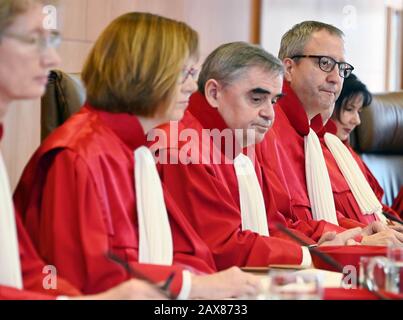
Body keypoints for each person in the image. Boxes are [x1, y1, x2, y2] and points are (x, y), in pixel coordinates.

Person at [13, 11, 260, 299]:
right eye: (186, 73)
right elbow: (84, 280)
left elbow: (191, 250)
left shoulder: (136, 150)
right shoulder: (78, 155)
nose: (193, 87)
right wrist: (193, 286)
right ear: (143, 72)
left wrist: (206, 284)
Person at [0, 0, 167, 300]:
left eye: (52, 39)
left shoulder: (136, 149)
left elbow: (30, 271)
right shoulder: (77, 153)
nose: (52, 57)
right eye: (33, 40)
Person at [150, 41, 362, 271]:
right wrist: (311, 255)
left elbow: (275, 227)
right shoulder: (181, 149)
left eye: (273, 101)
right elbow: (222, 248)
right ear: (213, 93)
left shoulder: (241, 145)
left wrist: (330, 241)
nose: (269, 114)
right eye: (256, 99)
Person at [264, 20, 402, 245]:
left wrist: (371, 231)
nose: (336, 78)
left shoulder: (317, 137)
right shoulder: (265, 130)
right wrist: (359, 238)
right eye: (325, 63)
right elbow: (275, 227)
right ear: (289, 69)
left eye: (341, 68)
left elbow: (329, 217)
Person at [326, 73, 401, 220]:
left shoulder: (350, 155)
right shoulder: (317, 153)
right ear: (329, 105)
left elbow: (378, 205)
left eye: (359, 111)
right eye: (349, 109)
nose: (357, 121)